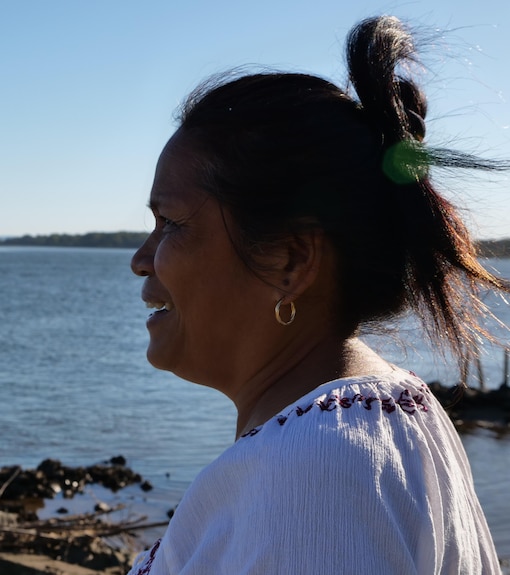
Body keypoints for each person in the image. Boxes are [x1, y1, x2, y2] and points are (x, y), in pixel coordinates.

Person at [128, 15, 505, 575]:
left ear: (291, 260)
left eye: (171, 223)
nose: (141, 259)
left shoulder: (318, 472)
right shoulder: (375, 423)